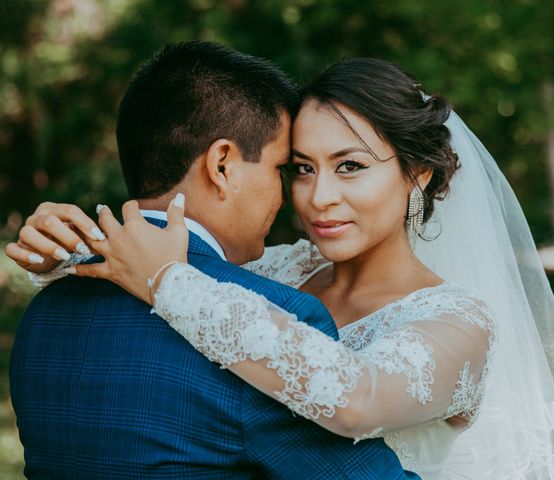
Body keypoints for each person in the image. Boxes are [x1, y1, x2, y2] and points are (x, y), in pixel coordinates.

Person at [8, 57, 554, 479]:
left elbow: (356, 396)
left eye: (351, 165)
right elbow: (155, 288)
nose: (317, 197)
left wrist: (168, 283)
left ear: (418, 174)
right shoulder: (274, 270)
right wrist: (66, 257)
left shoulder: (459, 322)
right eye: (301, 168)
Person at [6, 42, 420, 479]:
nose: (290, 197)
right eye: (283, 168)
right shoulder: (272, 320)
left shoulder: (49, 304)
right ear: (222, 165)